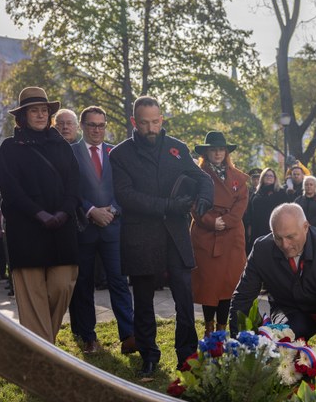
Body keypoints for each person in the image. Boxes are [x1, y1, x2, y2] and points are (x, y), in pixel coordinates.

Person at [110, 95, 213, 377]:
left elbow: (203, 178)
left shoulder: (176, 148)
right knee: (143, 301)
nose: (151, 128)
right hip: (140, 237)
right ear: (134, 122)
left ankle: (187, 356)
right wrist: (168, 206)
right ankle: (149, 356)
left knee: (184, 298)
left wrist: (204, 199)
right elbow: (126, 196)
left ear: (162, 119)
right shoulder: (119, 155)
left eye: (156, 122)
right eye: (145, 123)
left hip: (175, 236)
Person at [0, 87, 81, 344]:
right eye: (34, 110)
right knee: (32, 297)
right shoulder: (10, 148)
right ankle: (44, 355)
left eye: (44, 110)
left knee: (62, 286)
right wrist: (40, 214)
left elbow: (74, 184)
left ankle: (44, 344)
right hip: (27, 231)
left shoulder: (62, 145)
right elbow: (11, 190)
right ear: (22, 116)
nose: (40, 115)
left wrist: (64, 212)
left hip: (62, 228)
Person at [230, 203, 316, 348]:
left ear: (305, 227)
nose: (285, 245)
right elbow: (243, 297)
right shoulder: (261, 249)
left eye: (290, 237)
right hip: (288, 309)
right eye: (278, 238)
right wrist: (237, 343)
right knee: (289, 333)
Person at [68, 106, 136, 355]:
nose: (97, 129)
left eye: (101, 125)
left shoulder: (114, 153)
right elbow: (70, 191)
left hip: (112, 228)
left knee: (119, 282)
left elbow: (124, 188)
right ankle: (89, 337)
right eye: (92, 125)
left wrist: (113, 210)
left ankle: (128, 335)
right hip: (84, 228)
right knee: (84, 284)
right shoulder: (71, 153)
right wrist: (90, 210)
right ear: (82, 126)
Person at [190, 131, 249, 336]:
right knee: (209, 284)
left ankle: (222, 330)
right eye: (213, 149)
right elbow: (193, 203)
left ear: (226, 152)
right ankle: (209, 327)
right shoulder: (197, 175)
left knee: (228, 283)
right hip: (207, 236)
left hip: (232, 236)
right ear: (206, 152)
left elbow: (242, 203)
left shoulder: (238, 177)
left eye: (221, 149)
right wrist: (211, 221)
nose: (217, 153)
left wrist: (227, 221)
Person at [247, 167, 287, 249]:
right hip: (257, 229)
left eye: (271, 176)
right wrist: (249, 227)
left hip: (274, 229)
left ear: (275, 178)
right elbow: (250, 211)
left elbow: (285, 211)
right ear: (262, 177)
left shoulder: (280, 192)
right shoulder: (256, 193)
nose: (269, 177)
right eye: (266, 175)